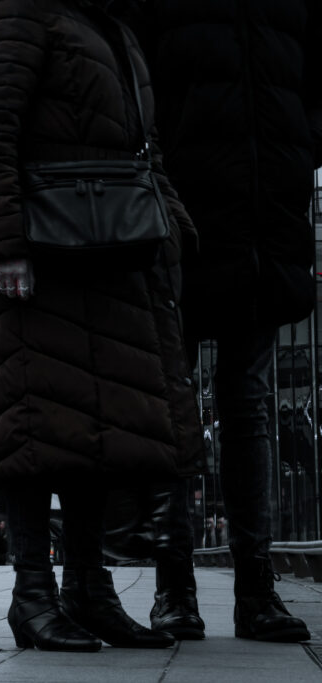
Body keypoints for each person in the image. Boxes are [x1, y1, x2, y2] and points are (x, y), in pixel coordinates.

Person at [0, 0, 203, 651]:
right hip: (42, 255)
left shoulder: (111, 26)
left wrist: (174, 231)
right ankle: (33, 595)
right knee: (33, 427)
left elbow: (143, 146)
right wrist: (3, 246)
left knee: (97, 430)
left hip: (114, 255)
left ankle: (88, 589)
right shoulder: (13, 12)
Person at [136, 0, 320, 643]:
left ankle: (255, 589)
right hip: (179, 223)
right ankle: (174, 588)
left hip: (261, 226)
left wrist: (295, 159)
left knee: (248, 405)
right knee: (174, 406)